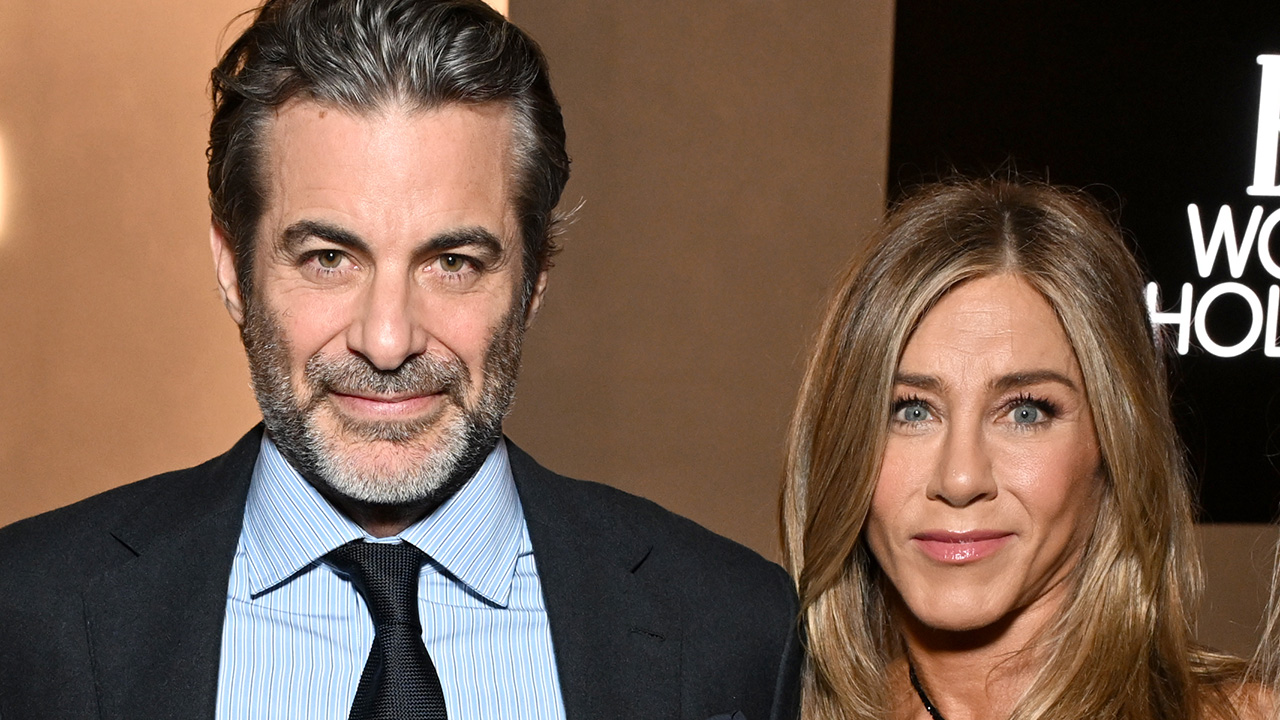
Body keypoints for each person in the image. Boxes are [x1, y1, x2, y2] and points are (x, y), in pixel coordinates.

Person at [0, 2, 800, 718]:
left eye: (452, 262)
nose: (388, 341)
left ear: (533, 283)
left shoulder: (733, 633)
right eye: (327, 258)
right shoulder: (29, 617)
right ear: (231, 270)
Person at [780, 178, 1250, 720]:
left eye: (1026, 412)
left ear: (1115, 446)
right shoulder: (762, 702)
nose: (960, 479)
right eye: (910, 410)